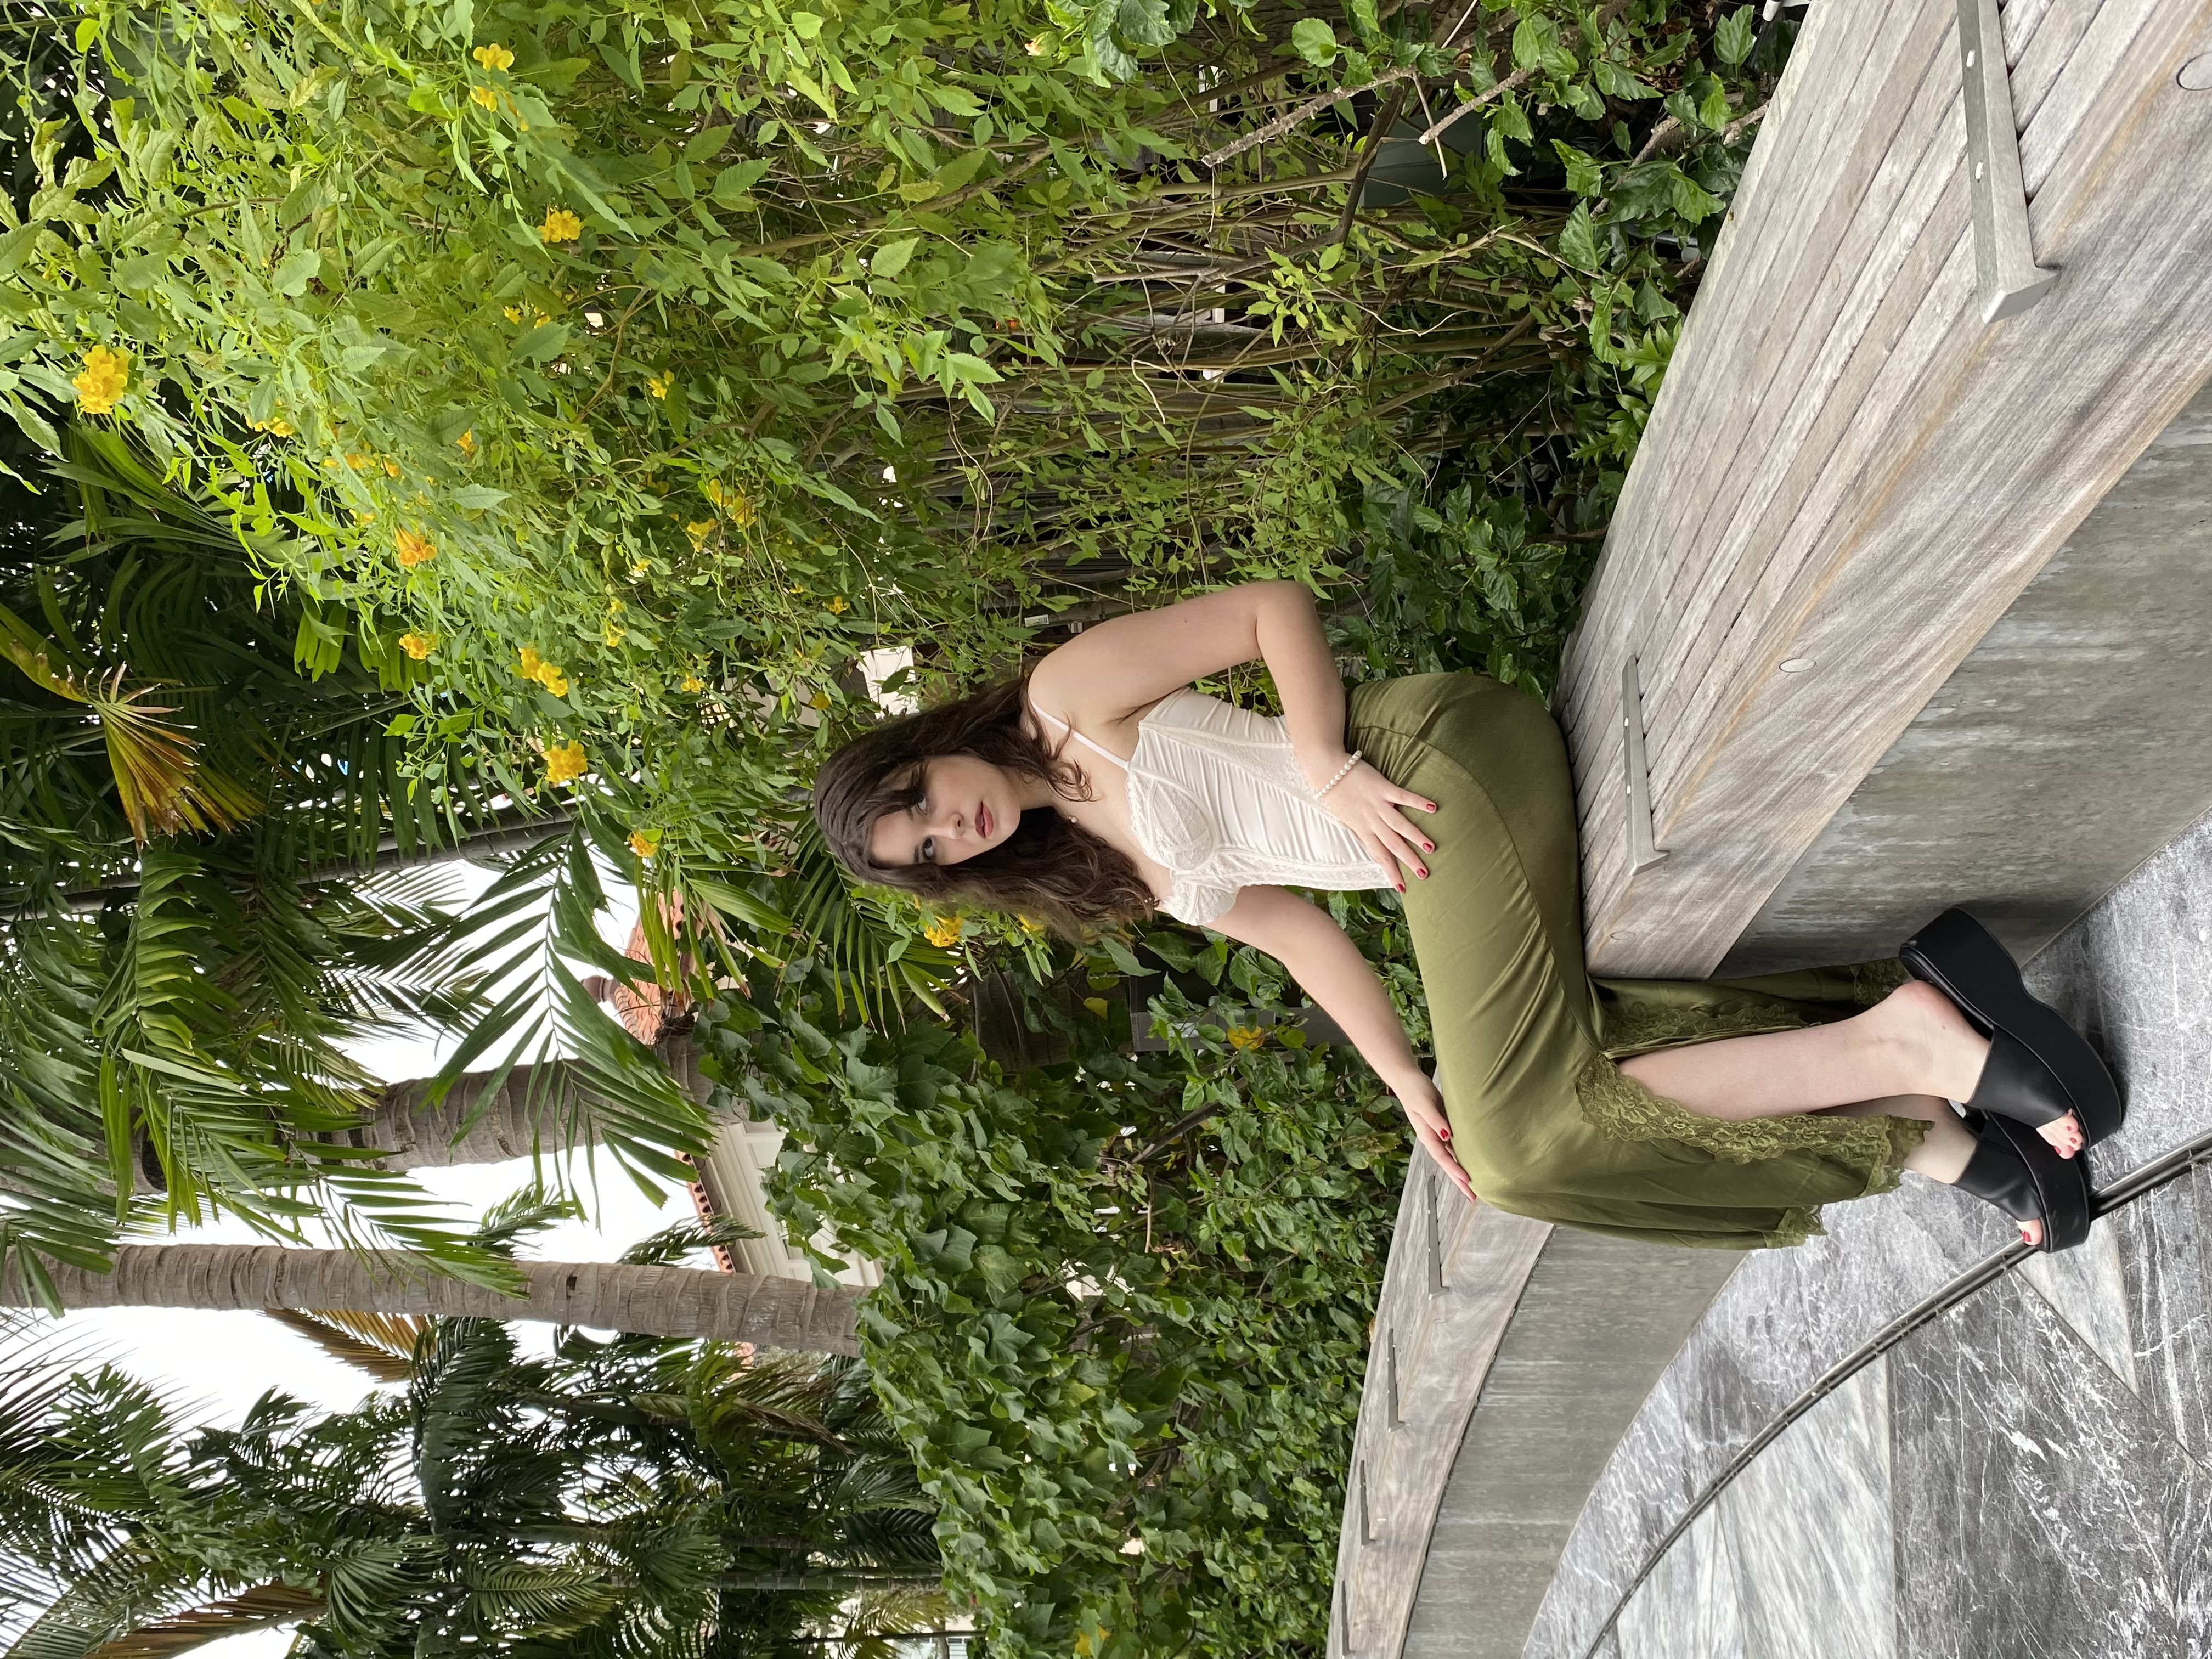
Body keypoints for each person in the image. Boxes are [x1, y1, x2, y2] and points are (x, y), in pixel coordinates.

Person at [812, 583, 2120, 1252]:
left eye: (922, 801)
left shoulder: (1066, 696)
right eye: (923, 851)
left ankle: (1913, 1070)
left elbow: (1273, 609)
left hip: (1429, 759)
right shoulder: (1086, 873)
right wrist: (1399, 1078)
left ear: (929, 749)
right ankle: (1906, 1115)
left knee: (1531, 1131)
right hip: (1430, 862)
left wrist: (1322, 759)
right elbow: (1298, 934)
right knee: (1507, 1155)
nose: (951, 830)